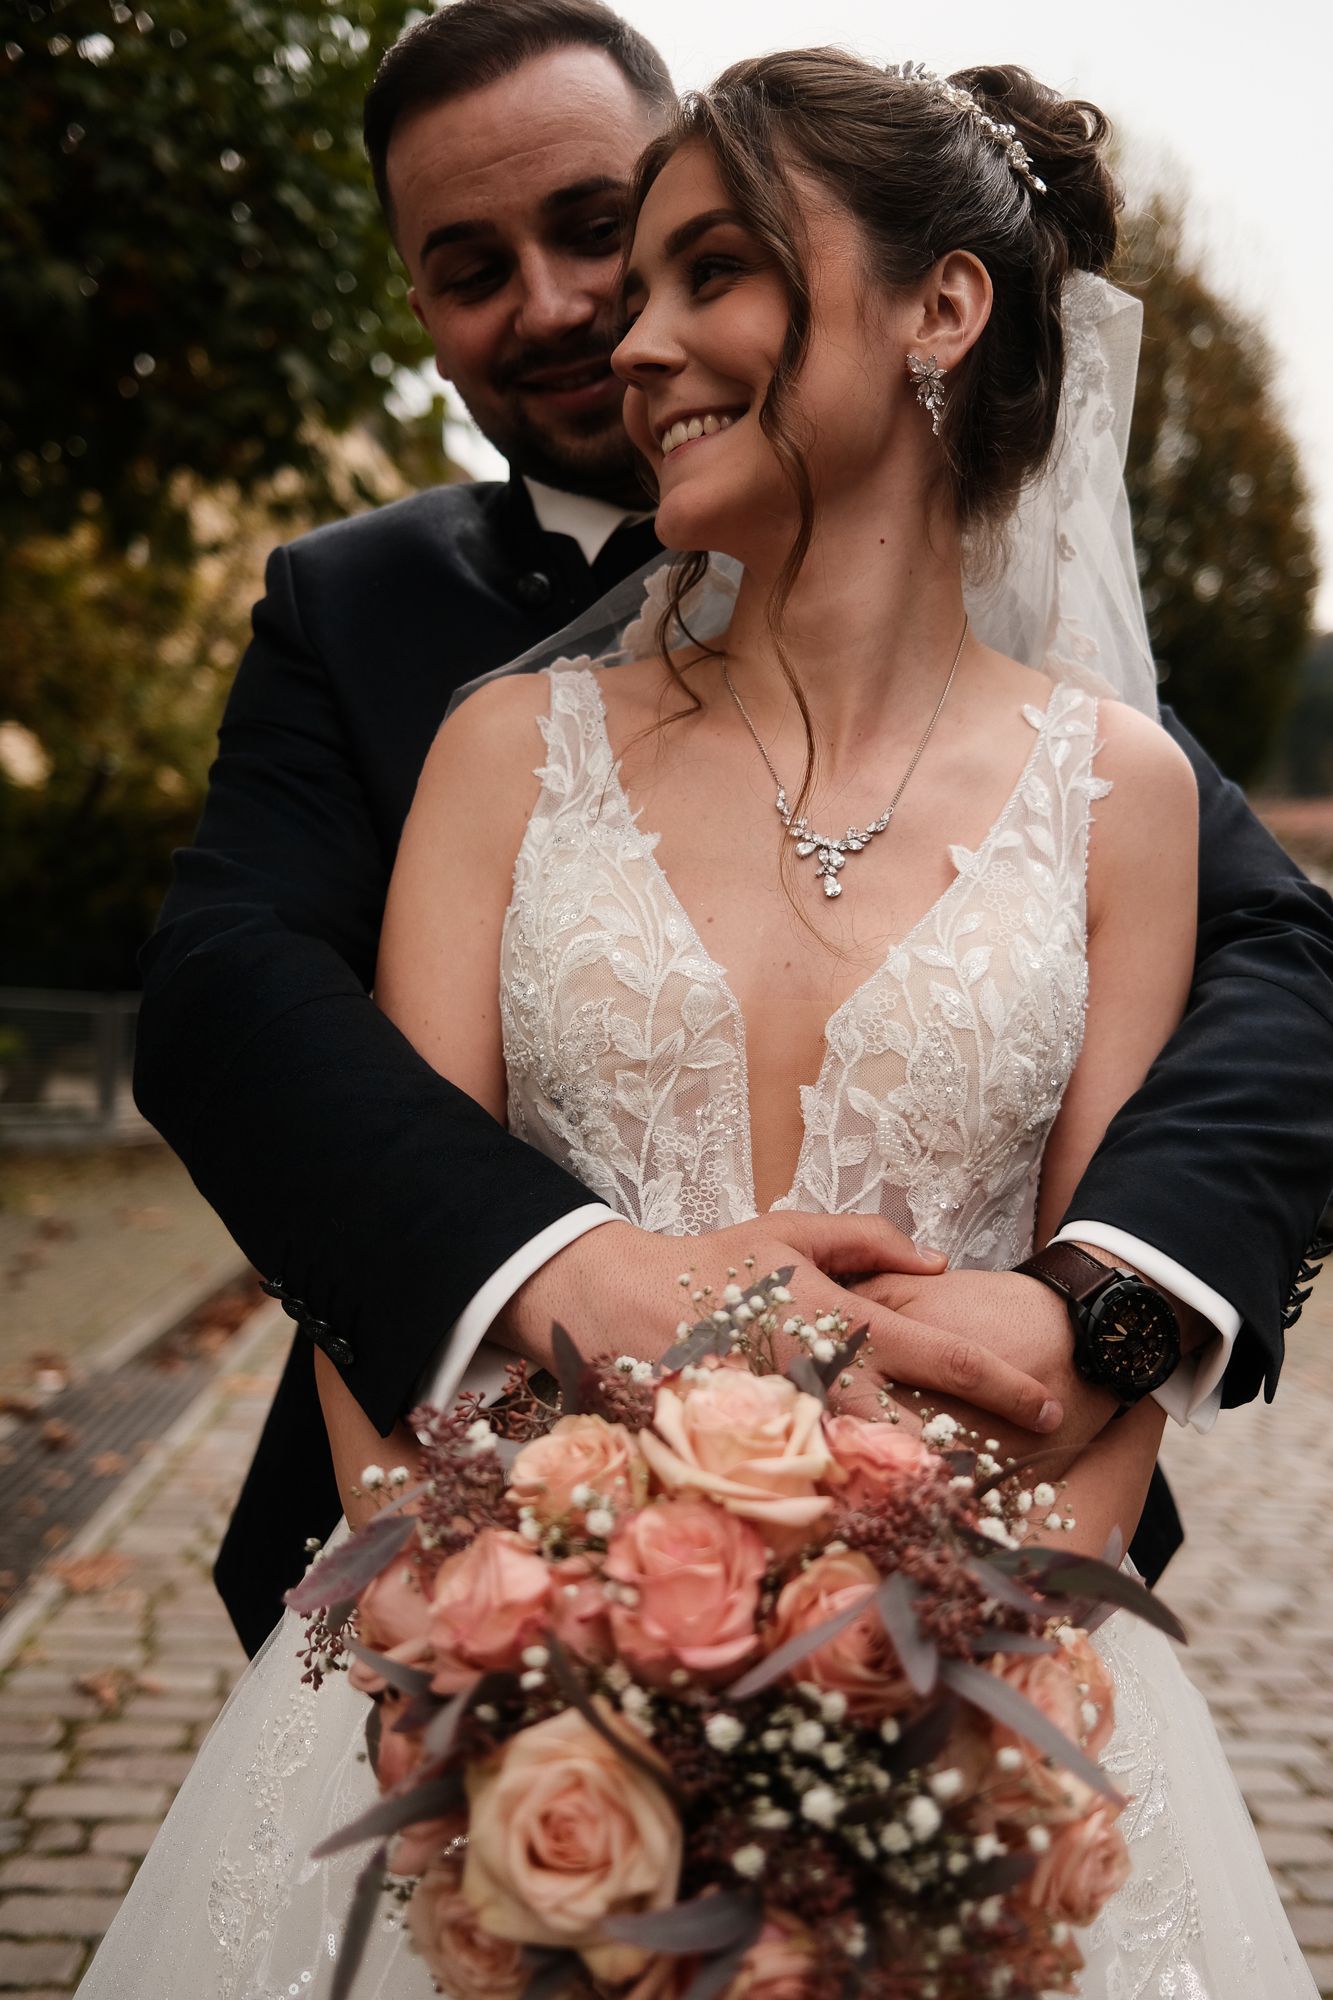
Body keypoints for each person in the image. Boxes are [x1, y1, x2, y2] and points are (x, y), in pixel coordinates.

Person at [81, 49, 1322, 1998]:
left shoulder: (1119, 789)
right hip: (509, 1665)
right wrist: (512, 1666)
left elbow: (1270, 1014)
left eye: (667, 254)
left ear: (941, 307)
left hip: (965, 1694)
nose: (610, 327)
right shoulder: (471, 718)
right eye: (477, 264)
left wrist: (941, 1709)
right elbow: (269, 1079)